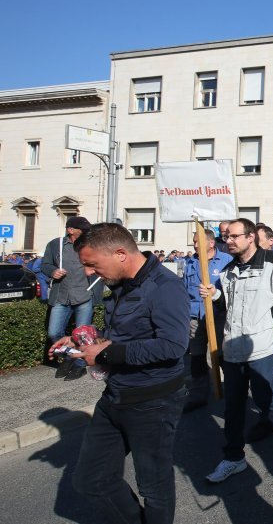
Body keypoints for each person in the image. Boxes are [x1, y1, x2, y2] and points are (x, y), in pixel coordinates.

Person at [50, 223, 188, 524]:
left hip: (154, 401)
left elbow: (173, 345)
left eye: (91, 264)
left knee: (154, 487)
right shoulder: (121, 284)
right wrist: (85, 338)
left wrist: (106, 353)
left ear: (121, 253)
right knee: (90, 480)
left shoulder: (166, 287)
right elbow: (123, 334)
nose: (88, 272)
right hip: (115, 395)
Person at [199, 218, 273, 483]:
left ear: (251, 237)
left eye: (234, 236)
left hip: (263, 346)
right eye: (226, 237)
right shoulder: (229, 270)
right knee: (233, 406)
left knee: (266, 399)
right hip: (232, 347)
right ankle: (234, 457)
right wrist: (215, 295)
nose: (228, 241)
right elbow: (228, 305)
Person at [182, 229, 232, 412]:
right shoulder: (190, 262)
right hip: (195, 318)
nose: (194, 244)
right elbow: (185, 290)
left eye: (198, 241)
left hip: (218, 316)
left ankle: (233, 390)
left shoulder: (226, 261)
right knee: (196, 358)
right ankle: (198, 394)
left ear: (211, 243)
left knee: (222, 355)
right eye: (193, 241)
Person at [41, 216, 96, 380]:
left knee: (83, 336)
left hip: (84, 295)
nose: (86, 233)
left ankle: (80, 366)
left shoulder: (89, 245)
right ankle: (69, 358)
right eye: (83, 230)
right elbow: (45, 265)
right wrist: (52, 272)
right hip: (62, 296)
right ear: (70, 230)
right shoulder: (55, 244)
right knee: (53, 333)